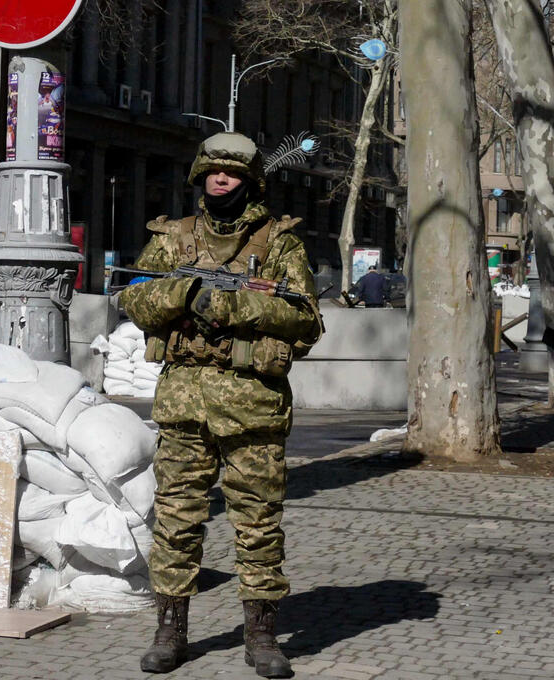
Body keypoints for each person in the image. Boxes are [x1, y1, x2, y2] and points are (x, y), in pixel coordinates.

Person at [120, 132, 323, 678]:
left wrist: (231, 303)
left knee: (258, 524)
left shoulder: (279, 243)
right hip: (185, 405)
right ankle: (171, 631)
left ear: (250, 180)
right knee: (176, 521)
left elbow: (306, 317)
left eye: (230, 172)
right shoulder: (173, 238)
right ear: (198, 175)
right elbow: (133, 297)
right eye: (211, 170)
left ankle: (261, 635)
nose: (219, 179)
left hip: (253, 408)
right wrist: (184, 294)